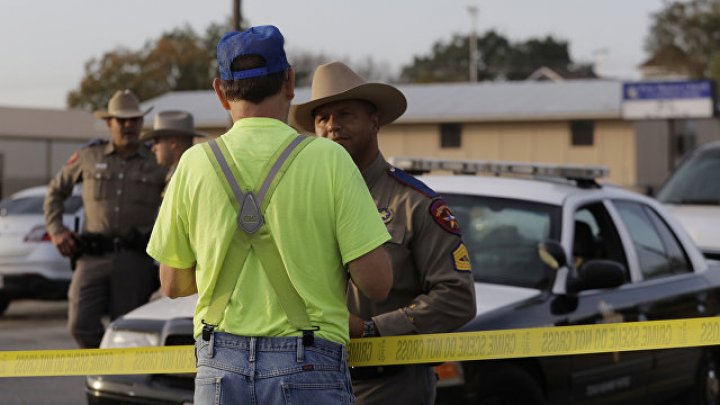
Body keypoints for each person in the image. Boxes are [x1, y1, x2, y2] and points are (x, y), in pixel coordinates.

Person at [146, 26, 393, 405]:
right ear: (290, 82)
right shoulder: (329, 159)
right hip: (309, 361)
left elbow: (173, 284)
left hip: (219, 363)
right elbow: (377, 283)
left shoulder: (194, 164)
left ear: (220, 92)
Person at [291, 61, 477, 405]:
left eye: (345, 114)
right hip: (310, 381)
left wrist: (372, 329)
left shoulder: (415, 204)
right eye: (322, 118)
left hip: (389, 385)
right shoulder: (299, 201)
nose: (333, 126)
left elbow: (457, 297)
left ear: (374, 121)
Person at [44, 89, 166, 348]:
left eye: (135, 120)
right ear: (109, 123)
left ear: (142, 122)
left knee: (130, 329)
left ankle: (120, 382)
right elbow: (55, 191)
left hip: (134, 261)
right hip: (92, 257)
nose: (129, 126)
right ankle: (105, 366)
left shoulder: (156, 161)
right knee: (79, 322)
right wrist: (56, 229)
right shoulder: (89, 157)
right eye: (122, 120)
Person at [139, 110, 206, 192]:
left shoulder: (185, 178)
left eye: (156, 141)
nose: (153, 149)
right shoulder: (191, 172)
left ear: (173, 143)